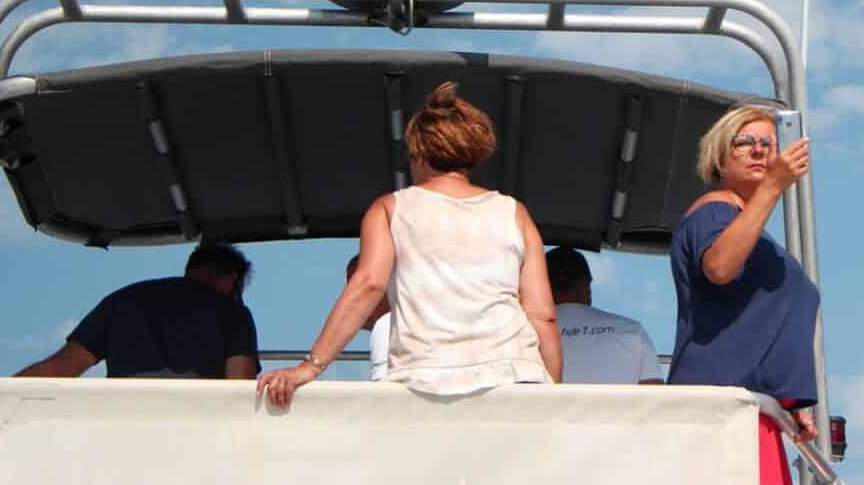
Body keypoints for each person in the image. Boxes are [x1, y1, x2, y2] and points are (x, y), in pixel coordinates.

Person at [258, 82, 562, 407]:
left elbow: (369, 285)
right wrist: (553, 389)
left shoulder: (390, 209)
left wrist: (311, 366)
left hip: (425, 380)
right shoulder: (515, 213)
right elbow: (541, 315)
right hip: (514, 374)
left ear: (418, 153)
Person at [668, 105, 818, 485]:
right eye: (744, 142)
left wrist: (793, 397)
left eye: (769, 143)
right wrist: (771, 188)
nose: (759, 150)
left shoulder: (748, 227)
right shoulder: (714, 211)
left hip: (750, 413)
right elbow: (719, 267)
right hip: (720, 415)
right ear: (719, 156)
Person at [15, 242, 258, 379]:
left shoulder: (121, 301)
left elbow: (61, 367)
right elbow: (239, 386)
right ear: (231, 280)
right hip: (196, 437)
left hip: (121, 434)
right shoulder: (233, 313)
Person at [545, 246, 663, 385]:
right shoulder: (632, 330)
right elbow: (654, 395)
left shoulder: (526, 332)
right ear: (587, 286)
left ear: (541, 285)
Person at [346, 253, 393, 380]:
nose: (349, 297)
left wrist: (313, 364)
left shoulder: (387, 325)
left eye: (357, 288)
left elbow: (383, 397)